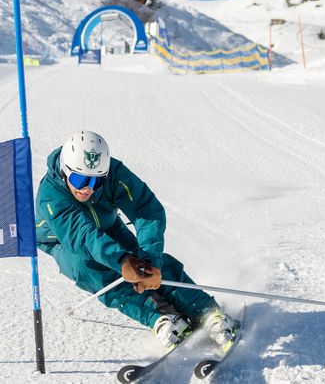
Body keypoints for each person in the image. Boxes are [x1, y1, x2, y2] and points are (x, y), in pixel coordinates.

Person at [35, 131, 240, 350]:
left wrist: (150, 259)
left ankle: (206, 311)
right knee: (87, 268)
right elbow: (83, 236)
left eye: (96, 181)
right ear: (65, 171)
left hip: (107, 223)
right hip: (62, 239)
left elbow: (146, 209)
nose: (88, 188)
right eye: (79, 179)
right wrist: (122, 261)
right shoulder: (51, 194)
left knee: (146, 263)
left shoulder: (114, 172)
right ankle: (160, 316)